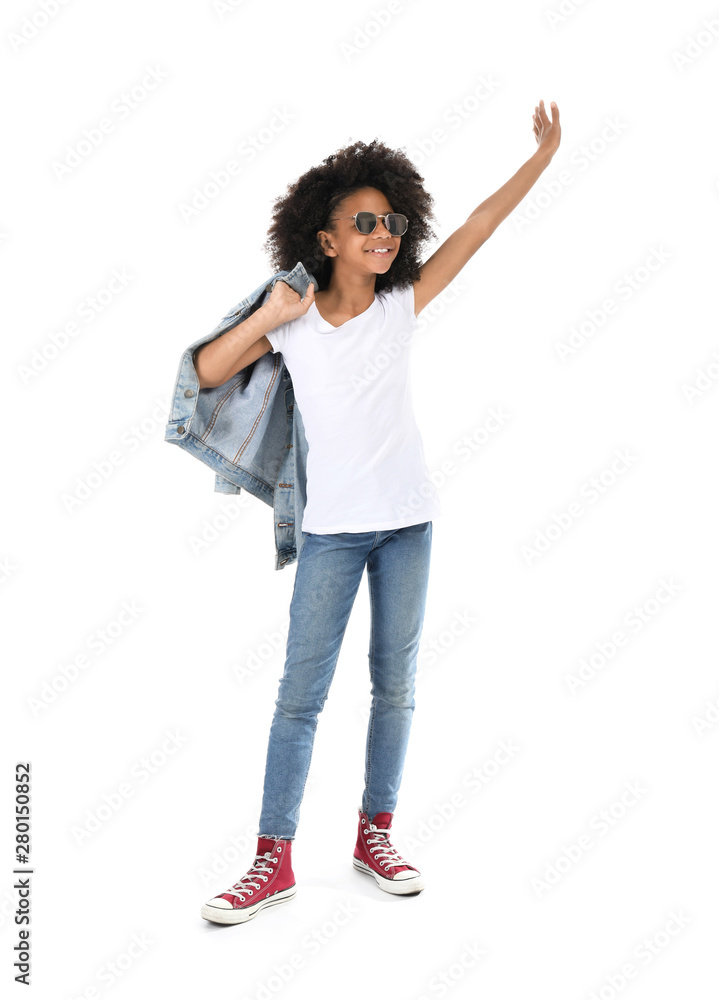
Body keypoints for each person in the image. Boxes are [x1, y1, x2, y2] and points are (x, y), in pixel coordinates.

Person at [199, 100, 561, 924]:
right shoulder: (292, 323)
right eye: (363, 221)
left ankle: (375, 835)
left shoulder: (402, 304)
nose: (383, 231)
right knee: (300, 697)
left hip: (406, 523)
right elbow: (211, 371)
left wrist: (543, 157)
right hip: (330, 533)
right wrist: (270, 315)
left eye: (391, 219)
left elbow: (477, 224)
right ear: (324, 240)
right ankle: (272, 859)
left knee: (393, 689)